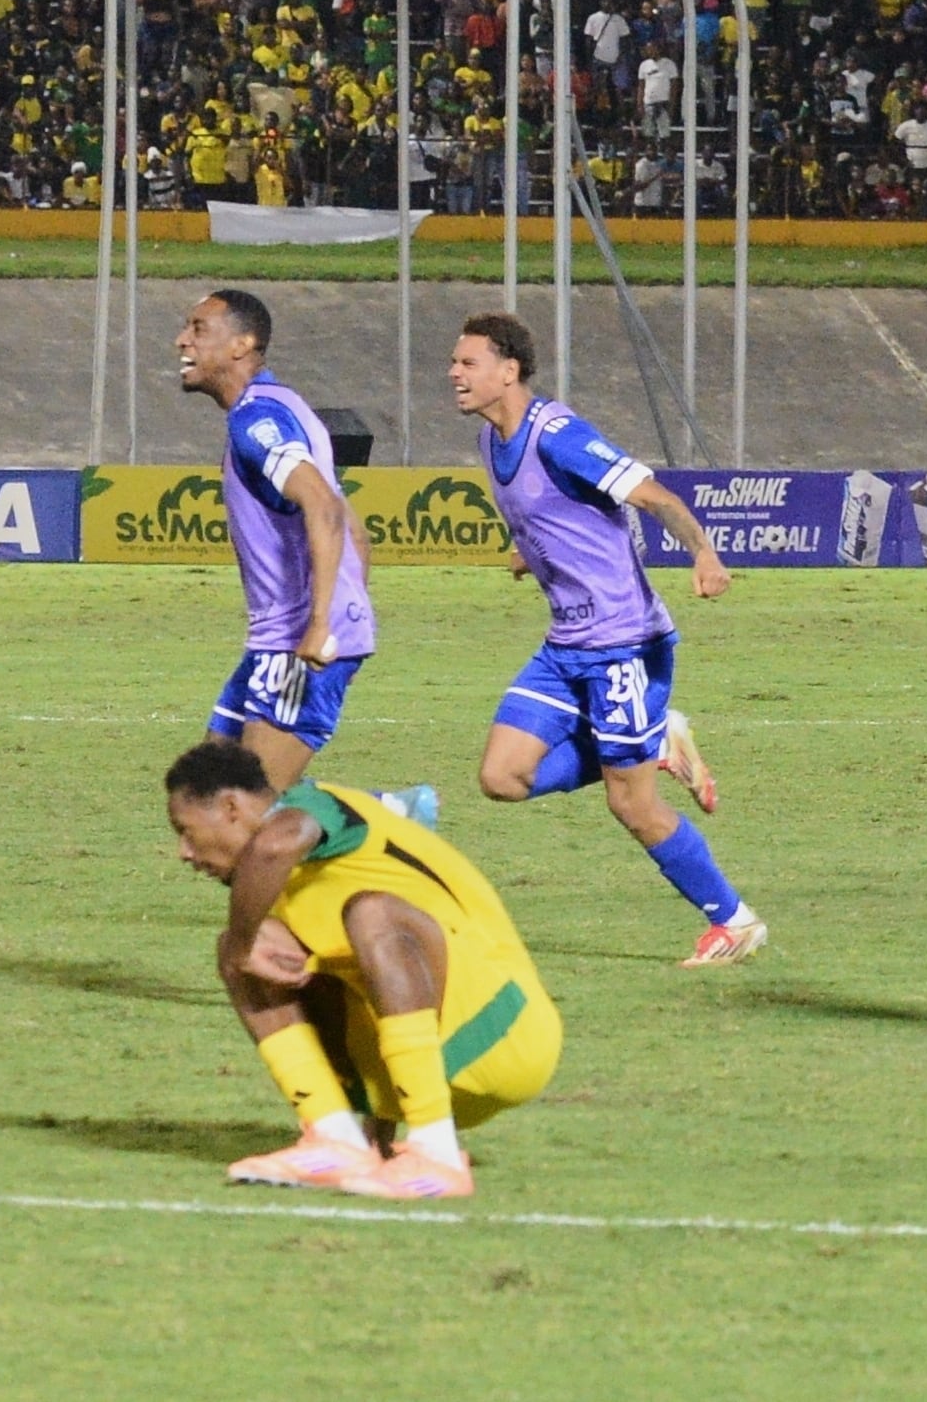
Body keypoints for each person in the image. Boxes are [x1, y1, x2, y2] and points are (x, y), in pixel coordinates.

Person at [453, 312, 765, 968]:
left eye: (468, 362)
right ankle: (655, 742)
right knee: (502, 777)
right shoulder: (488, 442)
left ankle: (735, 922)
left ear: (508, 371)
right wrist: (527, 552)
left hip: (624, 646)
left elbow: (647, 494)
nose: (454, 373)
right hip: (565, 645)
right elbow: (554, 517)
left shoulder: (558, 435)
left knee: (633, 807)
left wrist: (704, 553)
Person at [166, 740, 563, 1201]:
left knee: (366, 916)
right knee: (258, 951)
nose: (184, 852)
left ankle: (437, 1155)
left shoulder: (312, 807)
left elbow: (275, 844)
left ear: (232, 807)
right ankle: (337, 1140)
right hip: (427, 1075)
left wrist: (241, 945)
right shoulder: (284, 890)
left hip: (506, 1036)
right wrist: (381, 1130)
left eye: (186, 830)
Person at [174, 290, 405, 806]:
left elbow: (322, 507)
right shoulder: (282, 405)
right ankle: (384, 812)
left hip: (295, 641)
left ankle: (388, 815)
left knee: (244, 811)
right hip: (275, 638)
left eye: (197, 328)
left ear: (242, 345)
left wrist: (324, 624)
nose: (181, 340)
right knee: (207, 797)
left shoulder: (258, 421)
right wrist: (348, 608)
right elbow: (354, 529)